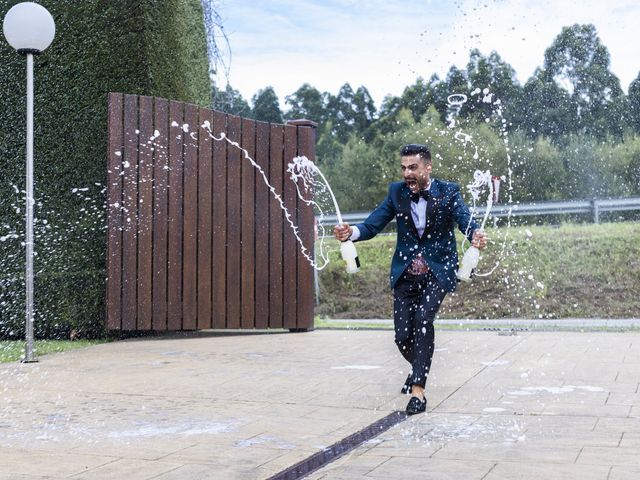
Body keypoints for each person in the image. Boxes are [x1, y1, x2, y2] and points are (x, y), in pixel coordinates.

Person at [334, 144, 488, 415]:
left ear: (428, 167)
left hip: (438, 270)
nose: (407, 173)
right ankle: (418, 366)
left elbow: (465, 219)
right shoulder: (397, 192)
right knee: (402, 336)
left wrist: (475, 232)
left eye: (413, 167)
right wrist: (351, 233)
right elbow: (372, 224)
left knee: (424, 320)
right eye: (404, 167)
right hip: (406, 273)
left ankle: (418, 391)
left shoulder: (448, 191)